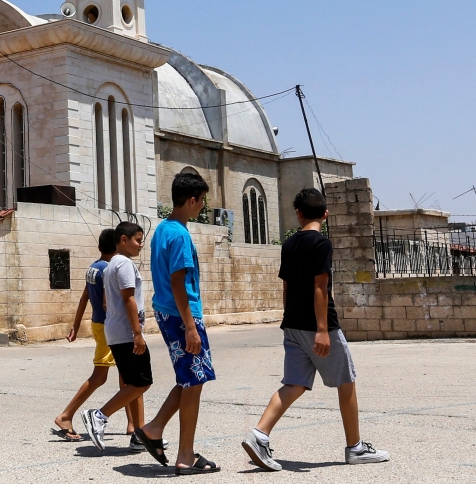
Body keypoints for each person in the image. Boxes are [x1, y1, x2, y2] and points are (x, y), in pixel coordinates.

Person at [242, 188, 390, 471]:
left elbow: (285, 285)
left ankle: (259, 434)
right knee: (346, 381)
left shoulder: (288, 245)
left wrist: (289, 319)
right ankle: (355, 447)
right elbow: (320, 287)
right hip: (320, 326)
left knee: (295, 383)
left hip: (293, 324)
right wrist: (322, 330)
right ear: (326, 214)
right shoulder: (321, 243)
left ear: (298, 214)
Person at [134, 172, 220, 474]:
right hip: (183, 315)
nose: (203, 207)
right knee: (194, 383)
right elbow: (178, 282)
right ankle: (185, 455)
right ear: (193, 199)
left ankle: (154, 429)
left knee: (189, 380)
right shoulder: (180, 235)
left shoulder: (162, 230)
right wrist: (192, 326)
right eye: (202, 201)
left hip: (168, 312)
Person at [53, 229, 143, 449]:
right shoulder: (110, 268)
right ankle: (66, 415)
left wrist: (75, 325)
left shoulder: (94, 267)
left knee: (126, 375)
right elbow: (106, 302)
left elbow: (85, 297)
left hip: (98, 324)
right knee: (101, 375)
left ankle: (133, 425)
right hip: (109, 327)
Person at [82, 221, 152, 451]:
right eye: (138, 240)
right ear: (123, 240)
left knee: (134, 382)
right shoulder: (124, 264)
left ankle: (139, 435)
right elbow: (128, 298)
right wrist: (138, 333)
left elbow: (105, 300)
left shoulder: (112, 264)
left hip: (117, 329)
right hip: (126, 333)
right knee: (141, 382)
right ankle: (99, 416)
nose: (141, 245)